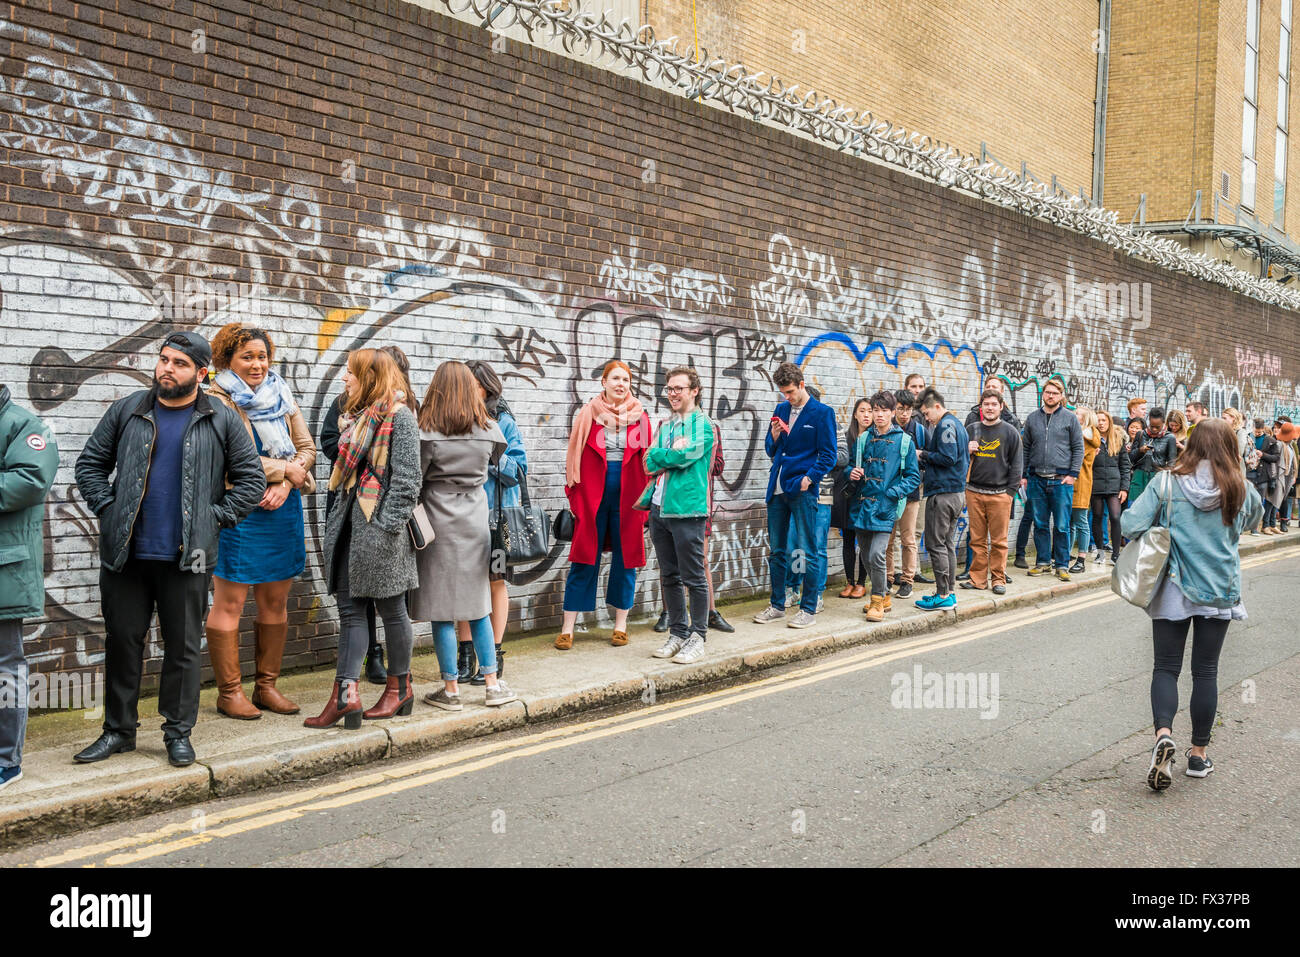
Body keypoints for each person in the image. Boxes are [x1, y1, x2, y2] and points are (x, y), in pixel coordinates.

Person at [74, 332, 265, 766]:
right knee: (123, 641)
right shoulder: (128, 410)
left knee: (181, 648)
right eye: (163, 360)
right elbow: (89, 465)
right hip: (126, 553)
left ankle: (177, 732)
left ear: (201, 373)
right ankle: (118, 731)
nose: (166, 369)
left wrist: (212, 519)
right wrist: (109, 508)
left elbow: (251, 481)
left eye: (179, 363)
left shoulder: (221, 417)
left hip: (190, 555)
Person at [1122, 418, 1261, 790]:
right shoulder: (1242, 489)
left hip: (1173, 588)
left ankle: (1163, 735)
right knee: (1206, 672)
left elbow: (1129, 524)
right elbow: (1252, 521)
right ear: (1232, 449)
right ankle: (1198, 756)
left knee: (1166, 668)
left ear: (1190, 445)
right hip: (1219, 589)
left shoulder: (1165, 482)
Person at [202, 323, 315, 720]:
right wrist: (284, 470)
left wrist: (287, 480)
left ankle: (266, 687)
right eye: (247, 356)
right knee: (230, 601)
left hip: (281, 508)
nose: (257, 364)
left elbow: (307, 448)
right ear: (227, 360)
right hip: (239, 511)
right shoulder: (216, 399)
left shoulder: (281, 392)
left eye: (262, 356)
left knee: (275, 600)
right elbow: (227, 460)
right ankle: (229, 693)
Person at [308, 349, 420, 729]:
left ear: (369, 378)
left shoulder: (400, 418)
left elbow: (407, 482)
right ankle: (345, 695)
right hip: (347, 530)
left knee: (391, 611)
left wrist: (385, 528)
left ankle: (399, 688)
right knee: (350, 611)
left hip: (379, 533)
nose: (344, 379)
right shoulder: (354, 420)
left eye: (351, 373)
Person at [410, 362, 517, 711]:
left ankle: (451, 690)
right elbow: (498, 461)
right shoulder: (489, 428)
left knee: (442, 611)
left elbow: (416, 478)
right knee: (478, 607)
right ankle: (492, 685)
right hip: (475, 520)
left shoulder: (426, 431)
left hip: (437, 522)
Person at [556, 361, 652, 650]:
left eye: (625, 379)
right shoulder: (588, 414)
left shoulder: (640, 417)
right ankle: (567, 628)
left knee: (626, 560)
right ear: (603, 382)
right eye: (615, 379)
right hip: (592, 496)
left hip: (630, 498)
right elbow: (574, 456)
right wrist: (574, 496)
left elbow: (648, 461)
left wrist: (646, 502)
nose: (621, 384)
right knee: (584, 559)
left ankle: (620, 625)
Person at [0, 385, 59, 792]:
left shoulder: (22, 423)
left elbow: (30, 480)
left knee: (5, 665)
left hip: (5, 569)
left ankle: (6, 761)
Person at [457, 360, 527, 685]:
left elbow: (519, 471)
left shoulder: (504, 421)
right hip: (463, 518)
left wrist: (488, 451)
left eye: (471, 383)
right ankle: (465, 655)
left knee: (495, 584)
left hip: (496, 520)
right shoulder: (455, 420)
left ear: (484, 387)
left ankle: (495, 655)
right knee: (463, 586)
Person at [753, 362, 838, 628]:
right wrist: (775, 437)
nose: (786, 398)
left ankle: (809, 609)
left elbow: (829, 455)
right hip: (777, 488)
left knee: (808, 550)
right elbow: (770, 449)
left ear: (801, 384)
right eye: (783, 393)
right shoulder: (780, 409)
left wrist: (808, 478)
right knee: (777, 551)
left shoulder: (822, 413)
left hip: (801, 489)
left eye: (790, 392)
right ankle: (778, 605)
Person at [646, 367, 716, 663]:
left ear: (694, 391)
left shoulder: (704, 426)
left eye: (679, 388)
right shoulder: (667, 426)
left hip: (687, 509)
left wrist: (668, 455)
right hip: (659, 508)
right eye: (669, 389)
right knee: (669, 576)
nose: (673, 394)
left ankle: (697, 636)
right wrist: (667, 454)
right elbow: (648, 460)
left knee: (694, 577)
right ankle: (678, 632)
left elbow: (686, 457)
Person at [653, 420, 734, 633]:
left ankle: (710, 614)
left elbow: (717, 465)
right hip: (665, 502)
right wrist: (672, 454)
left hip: (695, 503)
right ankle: (669, 613)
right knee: (669, 567)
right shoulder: (664, 426)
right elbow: (651, 460)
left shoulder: (709, 428)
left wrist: (688, 454)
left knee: (700, 561)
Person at [847, 391, 920, 621]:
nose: (878, 415)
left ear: (892, 412)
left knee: (878, 554)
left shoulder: (904, 441)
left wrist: (893, 493)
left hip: (885, 507)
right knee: (867, 556)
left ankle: (877, 600)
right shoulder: (863, 439)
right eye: (875, 410)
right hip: (861, 506)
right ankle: (885, 595)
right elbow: (850, 466)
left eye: (883, 410)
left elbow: (913, 477)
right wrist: (853, 472)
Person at [960, 388, 1022, 594]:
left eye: (994, 404)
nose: (990, 408)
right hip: (974, 492)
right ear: (981, 407)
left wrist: (1010, 493)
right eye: (986, 404)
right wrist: (966, 449)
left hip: (1000, 495)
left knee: (999, 542)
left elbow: (1017, 464)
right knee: (977, 540)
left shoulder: (1010, 432)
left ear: (1001, 407)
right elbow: (958, 459)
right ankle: (978, 579)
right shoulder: (971, 429)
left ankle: (998, 580)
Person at [1022, 377, 1084, 581]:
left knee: (1062, 525)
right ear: (1043, 394)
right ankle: (1042, 563)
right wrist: (1024, 474)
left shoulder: (1070, 418)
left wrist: (1073, 474)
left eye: (1055, 393)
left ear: (1061, 396)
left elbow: (1078, 448)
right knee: (1039, 523)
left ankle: (1062, 564)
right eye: (1047, 392)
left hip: (1061, 480)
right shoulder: (1032, 418)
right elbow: (1025, 448)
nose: (1050, 396)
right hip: (1036, 479)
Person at [915, 388, 969, 609]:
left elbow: (948, 457)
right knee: (946, 544)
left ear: (937, 406)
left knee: (935, 544)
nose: (926, 418)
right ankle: (949, 592)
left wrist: (923, 455)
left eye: (927, 413)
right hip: (956, 493)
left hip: (943, 494)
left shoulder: (946, 425)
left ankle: (943, 595)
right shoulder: (957, 424)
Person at [887, 389, 927, 597]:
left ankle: (907, 580)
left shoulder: (919, 431)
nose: (904, 414)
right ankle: (888, 577)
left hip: (911, 493)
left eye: (908, 410)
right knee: (888, 538)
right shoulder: (887, 429)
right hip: (889, 493)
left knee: (908, 539)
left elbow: (931, 457)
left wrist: (920, 458)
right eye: (900, 409)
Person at [832, 399, 872, 599]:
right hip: (848, 495)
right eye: (862, 411)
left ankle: (861, 583)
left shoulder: (876, 438)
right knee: (848, 540)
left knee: (864, 542)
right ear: (855, 414)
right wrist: (850, 471)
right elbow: (838, 465)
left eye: (870, 411)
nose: (866, 415)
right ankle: (849, 582)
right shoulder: (847, 438)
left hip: (867, 496)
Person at [1089, 410, 1130, 565]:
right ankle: (1099, 553)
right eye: (1098, 420)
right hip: (1096, 486)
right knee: (1098, 517)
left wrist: (1124, 488)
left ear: (1109, 422)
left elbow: (1125, 466)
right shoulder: (1090, 440)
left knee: (1115, 517)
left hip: (1114, 486)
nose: (1101, 423)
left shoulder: (1118, 440)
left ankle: (1115, 554)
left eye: (1104, 420)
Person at [1067, 405, 1102, 573]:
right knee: (1071, 523)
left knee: (1080, 521)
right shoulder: (1081, 435)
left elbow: (1074, 457)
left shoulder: (1086, 437)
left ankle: (1081, 558)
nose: (1075, 415)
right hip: (1072, 483)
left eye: (1078, 414)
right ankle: (1066, 556)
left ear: (1086, 418)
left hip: (1081, 483)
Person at [1245, 417, 1279, 534]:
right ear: (1252, 427)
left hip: (1263, 476)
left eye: (1260, 431)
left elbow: (1276, 457)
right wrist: (1246, 459)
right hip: (1248, 474)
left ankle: (1254, 528)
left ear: (1263, 429)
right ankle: (1243, 527)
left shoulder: (1270, 440)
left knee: (1259, 503)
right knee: (1247, 501)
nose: (1257, 433)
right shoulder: (1247, 437)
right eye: (1256, 431)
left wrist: (1263, 454)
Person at [1276, 420, 1300, 531]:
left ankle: (1283, 522)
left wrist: (1294, 476)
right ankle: (1278, 522)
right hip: (1280, 475)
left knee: (1285, 499)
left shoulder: (1291, 445)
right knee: (1279, 499)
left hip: (1288, 476)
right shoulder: (1279, 445)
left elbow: (1294, 462)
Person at [1221, 407, 1251, 477]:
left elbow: (1238, 453)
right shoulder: (1223, 432)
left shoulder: (1240, 432)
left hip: (1236, 472)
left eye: (1224, 418)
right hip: (1224, 470)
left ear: (1233, 418)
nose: (1222, 421)